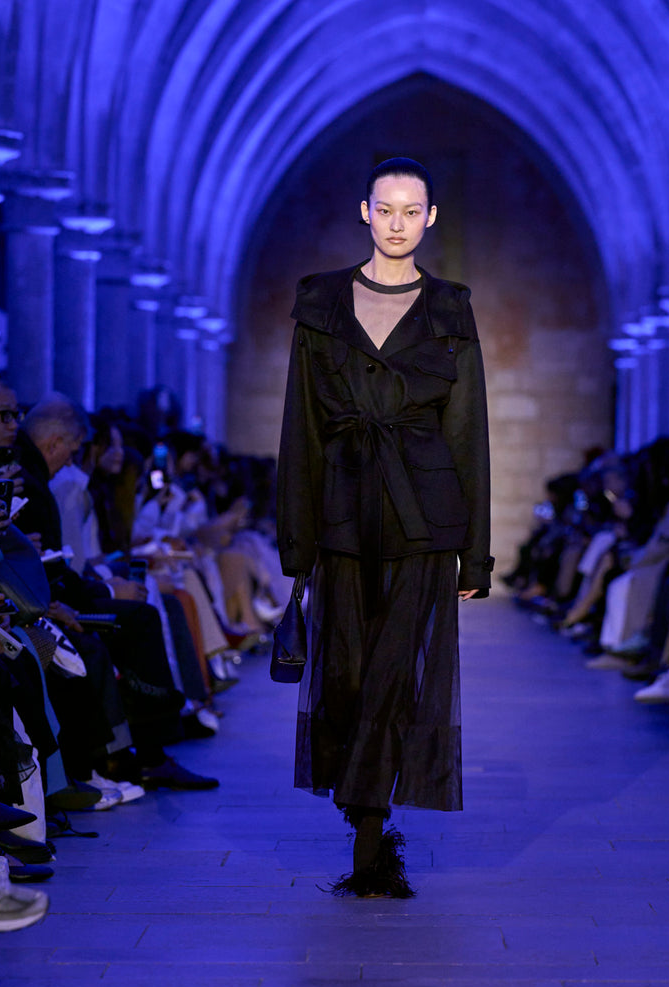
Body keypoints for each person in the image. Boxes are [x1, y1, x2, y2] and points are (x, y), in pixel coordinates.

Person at [277, 157, 493, 897]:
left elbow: (467, 433)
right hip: (340, 516)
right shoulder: (319, 302)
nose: (398, 223)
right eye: (386, 208)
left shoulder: (451, 308)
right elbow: (300, 427)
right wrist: (295, 539)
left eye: (412, 210)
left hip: (423, 520)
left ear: (430, 218)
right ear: (364, 211)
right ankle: (364, 809)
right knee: (343, 679)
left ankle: (371, 848)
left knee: (395, 680)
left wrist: (476, 557)